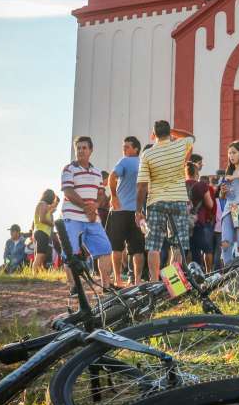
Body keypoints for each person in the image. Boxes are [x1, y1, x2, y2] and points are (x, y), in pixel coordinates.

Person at [136, 121, 195, 280]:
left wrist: (138, 211)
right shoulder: (180, 145)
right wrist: (173, 131)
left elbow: (141, 186)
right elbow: (191, 137)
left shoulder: (147, 154)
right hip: (178, 200)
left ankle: (154, 282)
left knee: (153, 245)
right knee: (177, 245)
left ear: (153, 135)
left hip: (155, 202)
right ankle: (173, 284)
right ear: (170, 133)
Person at [60, 136, 115, 290]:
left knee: (105, 249)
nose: (81, 151)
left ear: (90, 150)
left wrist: (95, 206)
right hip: (73, 217)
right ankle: (74, 287)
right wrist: (86, 208)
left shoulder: (97, 172)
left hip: (92, 219)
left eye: (84, 148)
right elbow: (68, 191)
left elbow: (101, 194)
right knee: (70, 253)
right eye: (78, 148)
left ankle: (106, 286)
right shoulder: (68, 169)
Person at [108, 136, 145, 287]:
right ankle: (137, 281)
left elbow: (112, 177)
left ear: (136, 149)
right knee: (137, 249)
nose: (124, 149)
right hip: (137, 211)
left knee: (116, 246)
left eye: (127, 147)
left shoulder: (124, 161)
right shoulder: (144, 163)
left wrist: (113, 196)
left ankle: (117, 279)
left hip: (119, 210)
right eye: (123, 147)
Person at [187, 161, 215, 273]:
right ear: (197, 173)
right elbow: (210, 204)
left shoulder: (181, 184)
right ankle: (208, 272)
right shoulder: (201, 185)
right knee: (207, 248)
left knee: (190, 249)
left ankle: (190, 273)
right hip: (197, 222)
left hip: (183, 223)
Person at [30, 189, 57, 272]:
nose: (53, 200)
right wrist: (52, 224)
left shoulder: (44, 205)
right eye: (53, 198)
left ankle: (38, 273)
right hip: (41, 232)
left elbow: (47, 212)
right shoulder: (43, 204)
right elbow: (41, 219)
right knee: (40, 255)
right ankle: (34, 275)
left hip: (41, 232)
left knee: (42, 255)